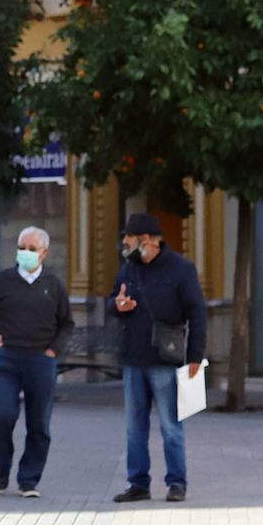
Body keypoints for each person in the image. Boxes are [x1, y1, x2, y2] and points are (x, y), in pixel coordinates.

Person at [107, 212, 207, 503]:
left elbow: (197, 313)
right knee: (133, 428)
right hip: (133, 360)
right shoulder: (129, 268)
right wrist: (119, 305)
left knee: (170, 425)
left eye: (129, 237)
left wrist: (195, 357)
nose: (124, 241)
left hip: (166, 361)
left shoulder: (181, 269)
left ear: (146, 240)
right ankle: (138, 484)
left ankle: (177, 483)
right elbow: (113, 301)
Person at [0, 226, 74, 498]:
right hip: (7, 358)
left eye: (32, 249)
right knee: (2, 416)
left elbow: (67, 323)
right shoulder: (3, 281)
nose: (26, 253)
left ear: (44, 253)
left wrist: (54, 350)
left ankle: (29, 480)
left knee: (39, 423)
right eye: (22, 247)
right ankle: (2, 471)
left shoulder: (53, 285)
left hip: (41, 360)